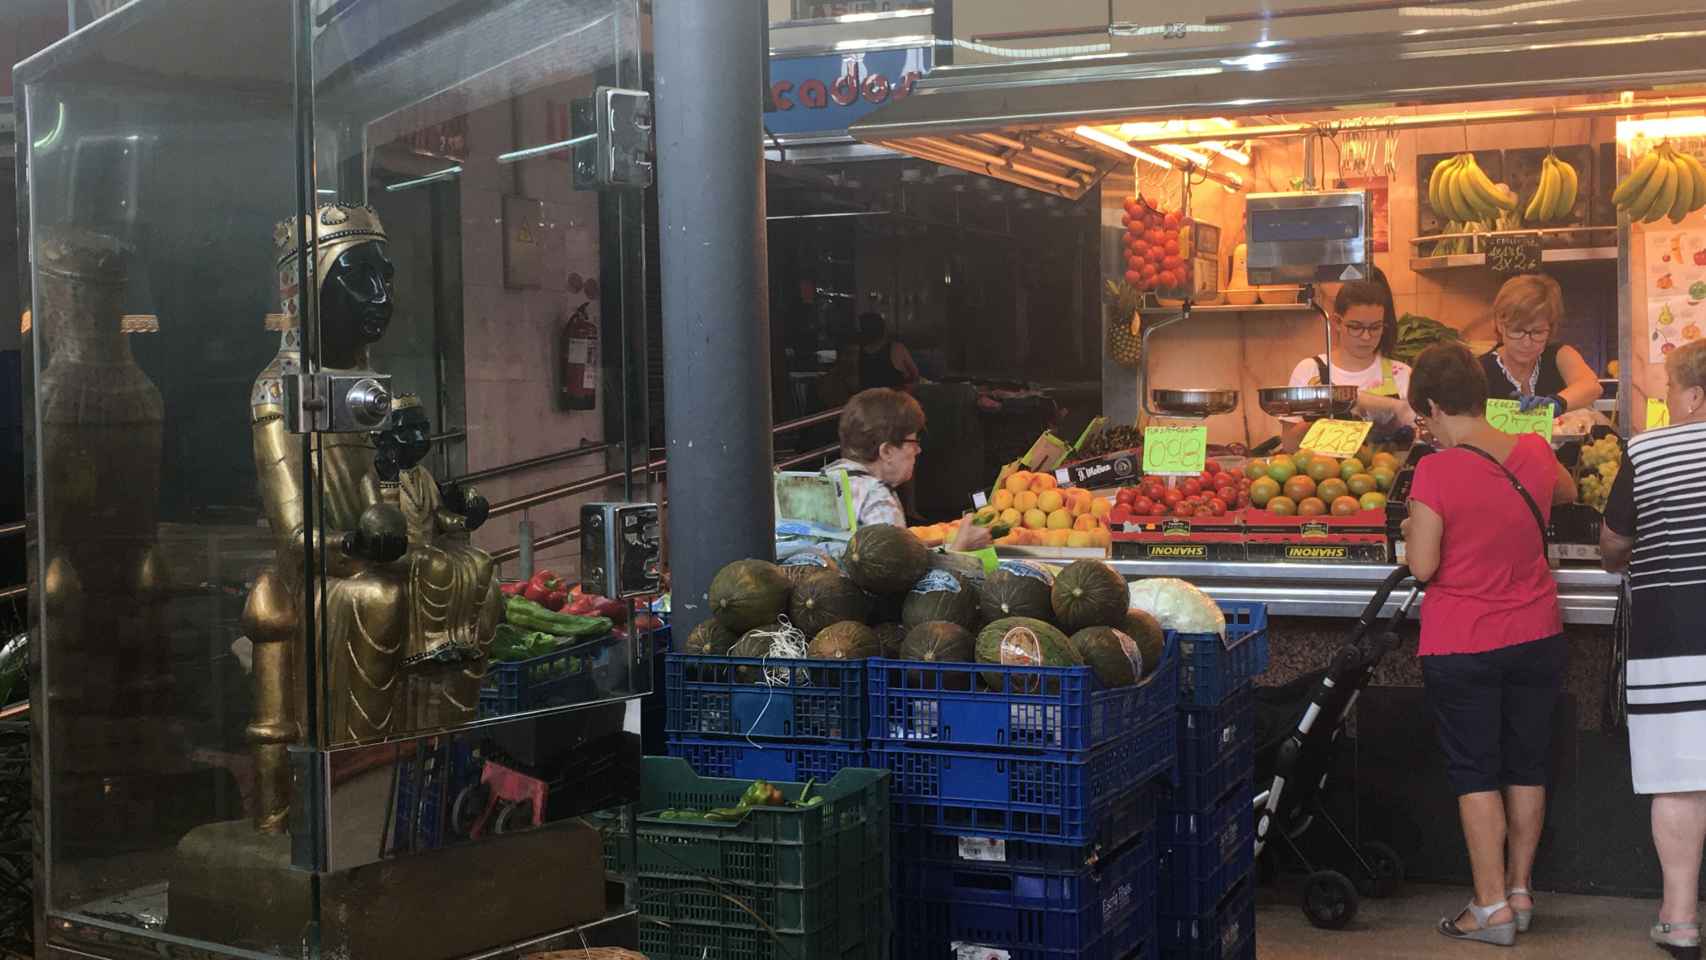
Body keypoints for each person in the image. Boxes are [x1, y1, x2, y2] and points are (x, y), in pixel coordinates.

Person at [1399, 342, 1576, 946]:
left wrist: (1411, 532)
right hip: (1537, 634)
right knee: (1527, 764)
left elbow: (1423, 567)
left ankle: (1491, 905)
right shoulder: (1530, 449)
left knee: (1476, 773)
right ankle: (1521, 891)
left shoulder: (1435, 470)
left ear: (1430, 406)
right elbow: (1568, 493)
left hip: (1464, 642)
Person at [1600, 340, 1706, 958]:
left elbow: (1614, 543)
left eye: (1670, 389)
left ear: (1693, 395)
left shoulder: (1647, 450)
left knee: (1680, 780)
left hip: (1672, 641)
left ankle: (1681, 919)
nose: (1666, 402)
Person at [821, 387, 990, 552]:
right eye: (913, 442)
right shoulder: (878, 500)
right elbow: (893, 575)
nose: (918, 450)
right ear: (886, 451)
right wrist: (960, 548)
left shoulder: (824, 477)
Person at [1283, 277, 1415, 446]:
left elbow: (1416, 436)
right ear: (1337, 322)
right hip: (1326, 471)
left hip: (1389, 471)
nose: (1366, 336)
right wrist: (1320, 419)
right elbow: (1289, 443)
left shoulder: (1402, 374)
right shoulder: (1310, 371)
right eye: (1355, 327)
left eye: (1375, 327)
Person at [1478, 274, 1602, 416]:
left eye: (1537, 332)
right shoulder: (1478, 371)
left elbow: (1592, 386)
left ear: (1550, 329)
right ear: (1500, 325)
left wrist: (1557, 403)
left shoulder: (1560, 354)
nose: (1526, 343)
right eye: (1517, 331)